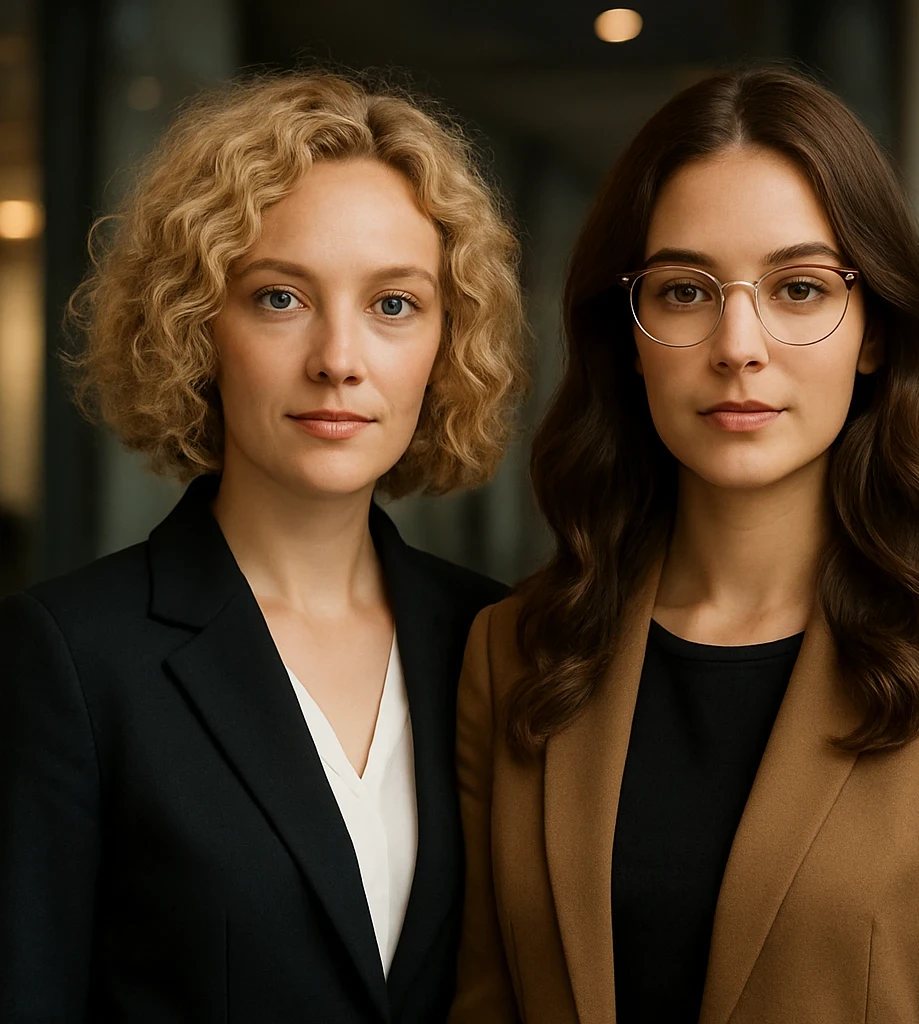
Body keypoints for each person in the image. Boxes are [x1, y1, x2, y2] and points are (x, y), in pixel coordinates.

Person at [450, 67, 919, 1024]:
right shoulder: (512, 654)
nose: (738, 344)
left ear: (874, 329)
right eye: (684, 291)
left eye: (799, 288)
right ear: (629, 336)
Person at [0, 72, 526, 1022]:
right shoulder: (71, 659)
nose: (338, 358)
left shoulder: (499, 639)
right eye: (280, 298)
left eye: (394, 305)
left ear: (449, 343)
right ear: (196, 328)